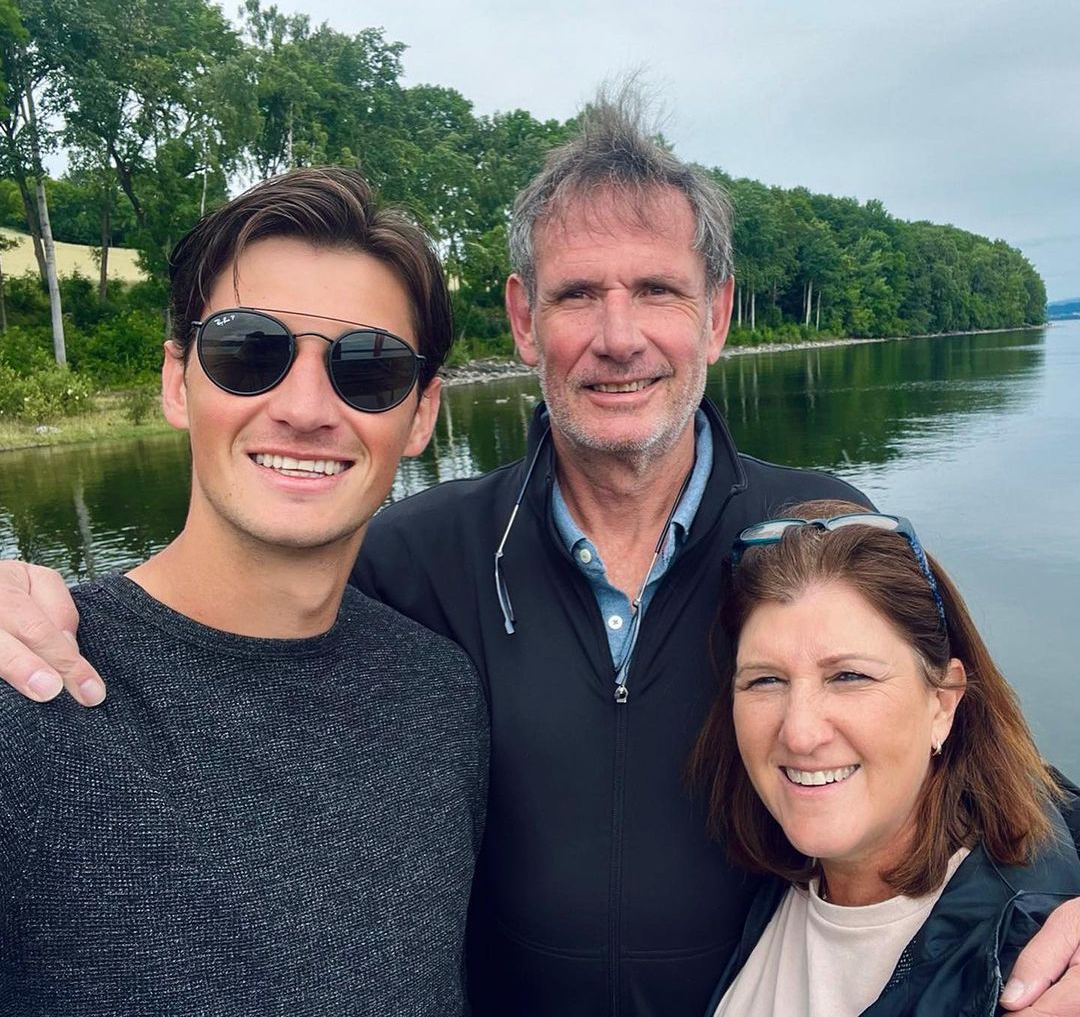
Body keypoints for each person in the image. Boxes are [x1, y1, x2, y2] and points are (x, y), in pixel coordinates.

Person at [1, 92, 1079, 1017]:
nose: (618, 336)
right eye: (575, 295)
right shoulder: (408, 560)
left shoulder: (811, 535)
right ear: (522, 320)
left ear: (717, 316)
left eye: (656, 290)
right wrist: (40, 597)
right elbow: (238, 613)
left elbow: (974, 752)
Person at [0, 168, 487, 1015]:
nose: (305, 407)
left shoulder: (442, 699)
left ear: (419, 416)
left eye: (366, 369)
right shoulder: (28, 689)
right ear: (175, 381)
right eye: (247, 351)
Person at [689, 501, 1080, 1016]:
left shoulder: (1032, 962)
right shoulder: (772, 882)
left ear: (943, 703)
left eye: (849, 676)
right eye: (766, 680)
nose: (800, 732)